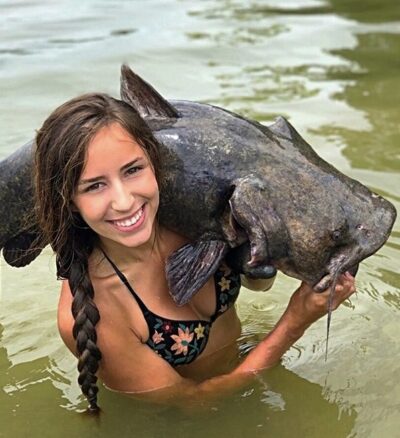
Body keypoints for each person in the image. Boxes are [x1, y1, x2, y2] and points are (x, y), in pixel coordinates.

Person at [33, 93, 356, 412]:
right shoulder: (95, 311)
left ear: (154, 163)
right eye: (94, 185)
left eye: (133, 170)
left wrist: (264, 259)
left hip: (247, 358)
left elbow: (259, 283)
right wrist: (296, 321)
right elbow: (192, 401)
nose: (125, 201)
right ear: (70, 201)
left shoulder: (191, 218)